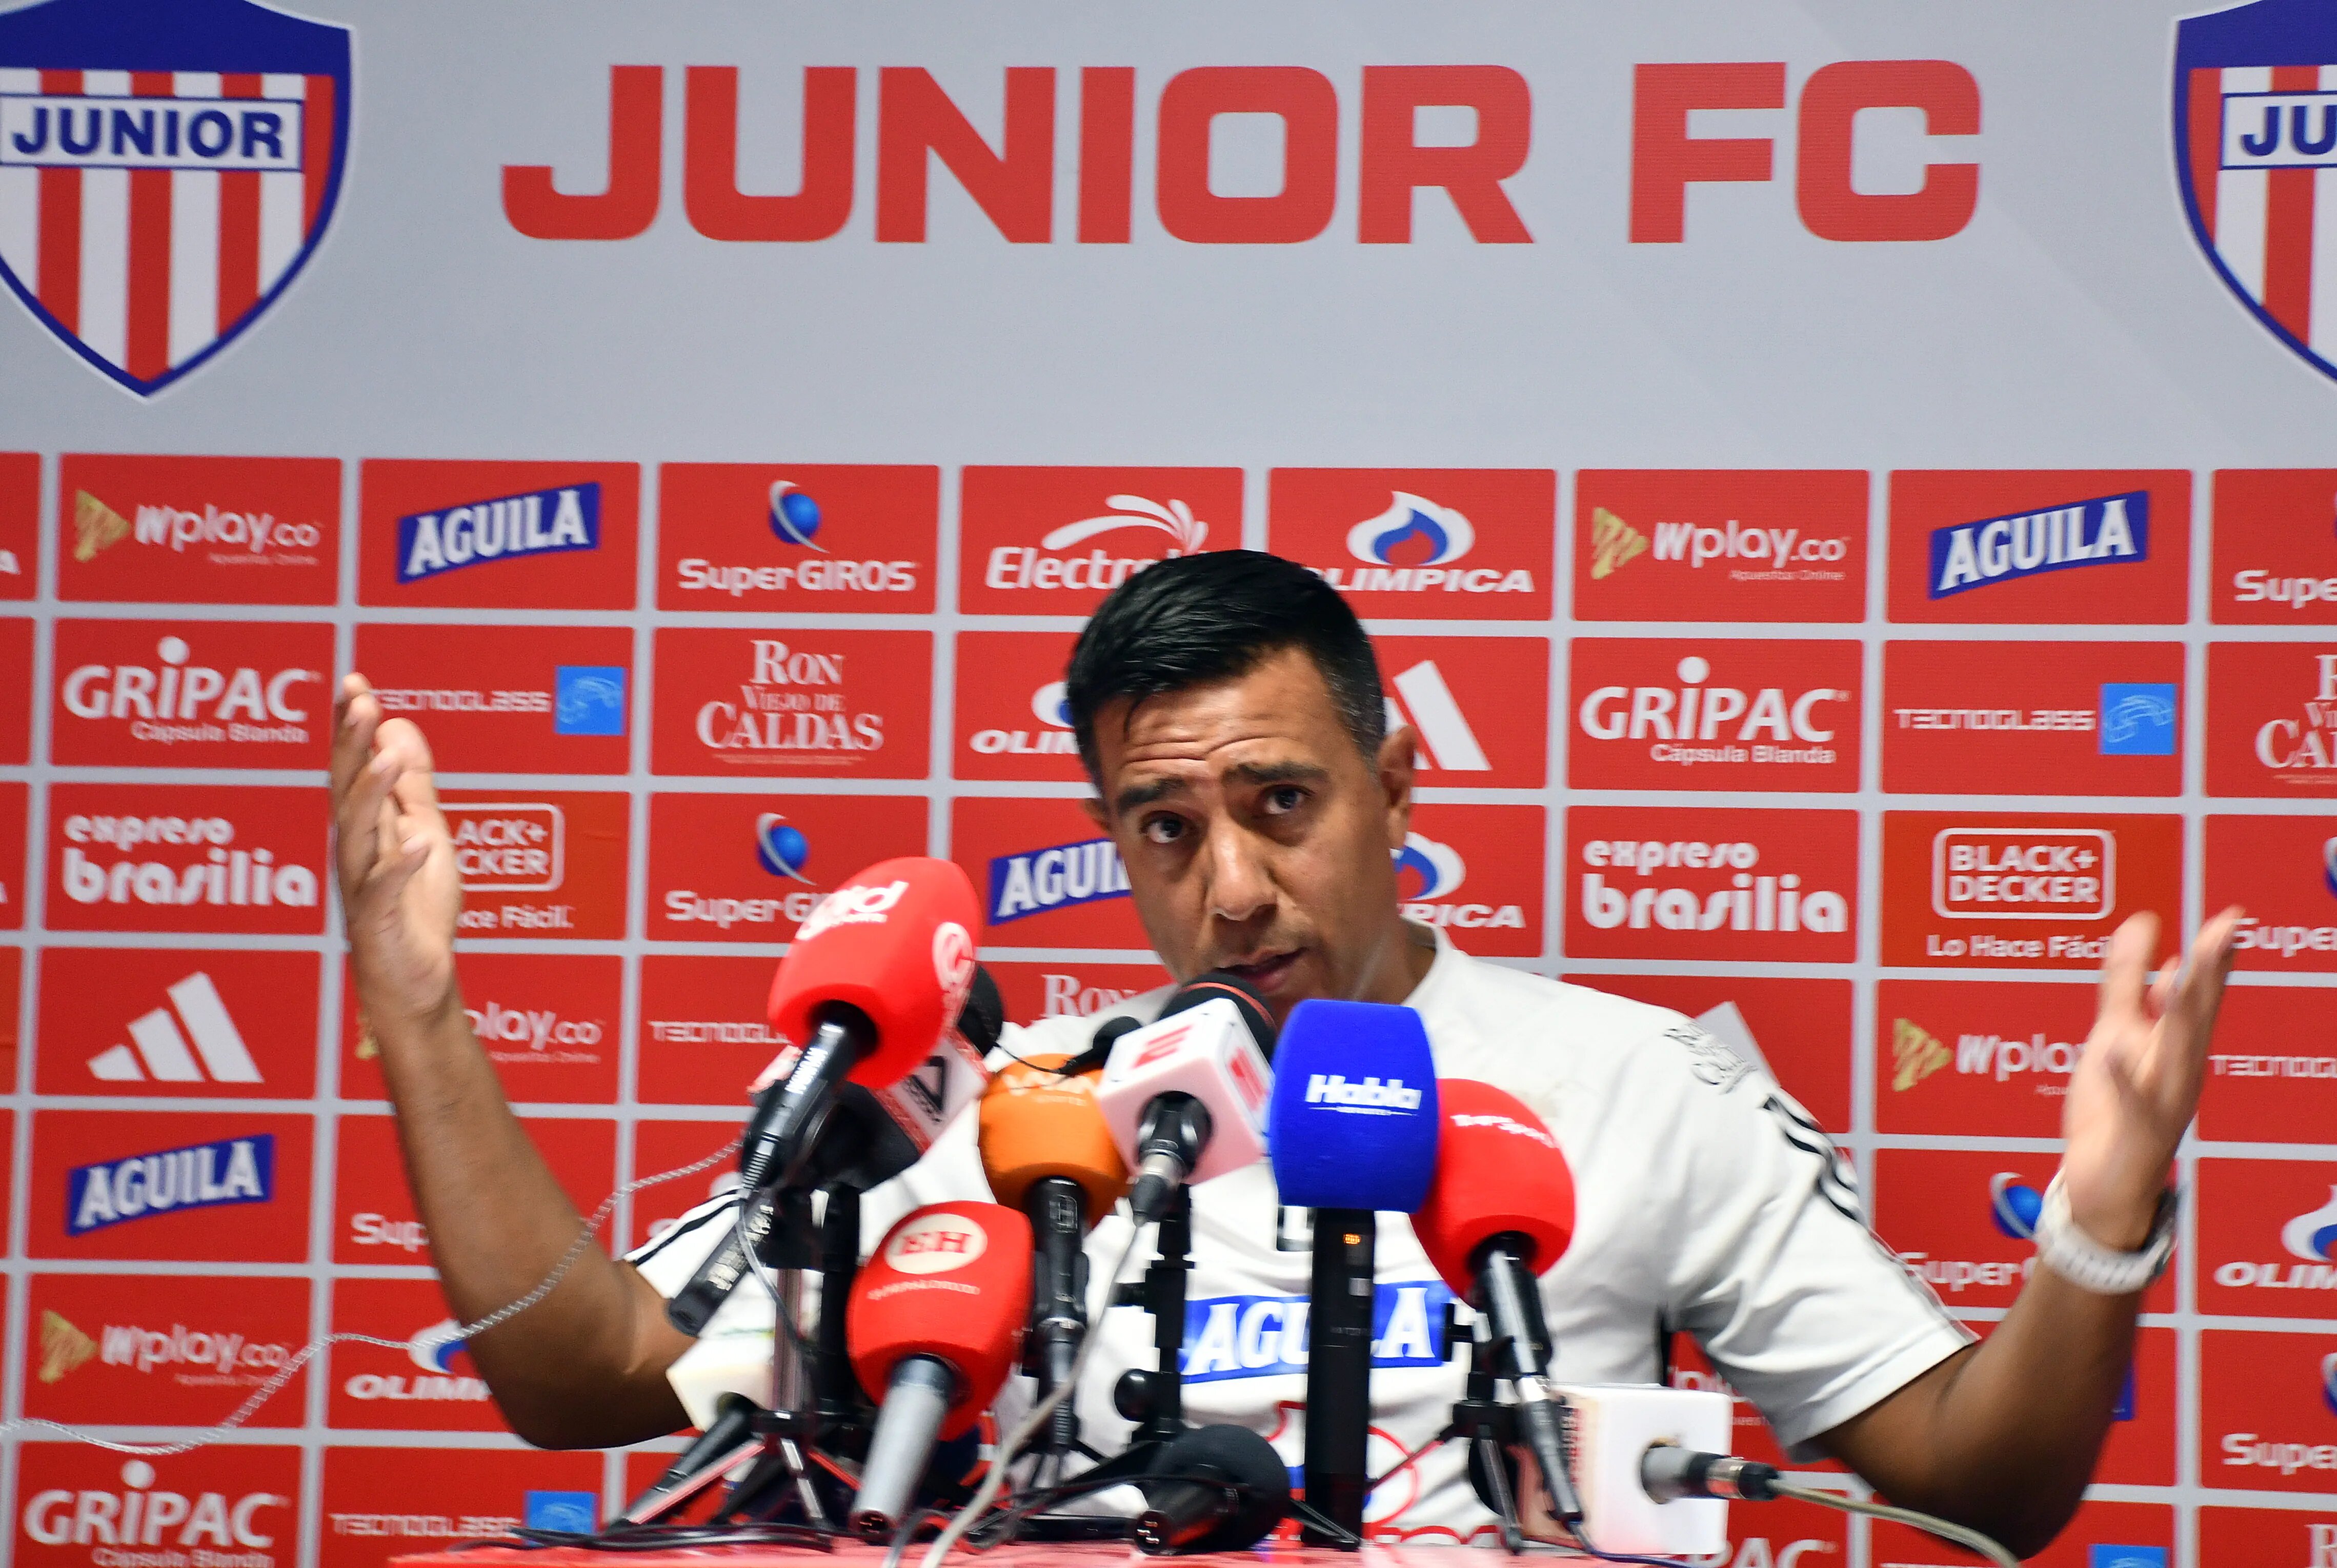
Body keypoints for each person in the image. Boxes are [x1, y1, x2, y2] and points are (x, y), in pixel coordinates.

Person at [332, 550, 2240, 1553]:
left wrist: (2100, 1214)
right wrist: (419, 1008)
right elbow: (595, 1386)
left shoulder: (1638, 1078)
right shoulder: (1022, 1102)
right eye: (1166, 830)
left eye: (1280, 801)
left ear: (1395, 776)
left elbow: (1976, 1485)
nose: (1231, 884)